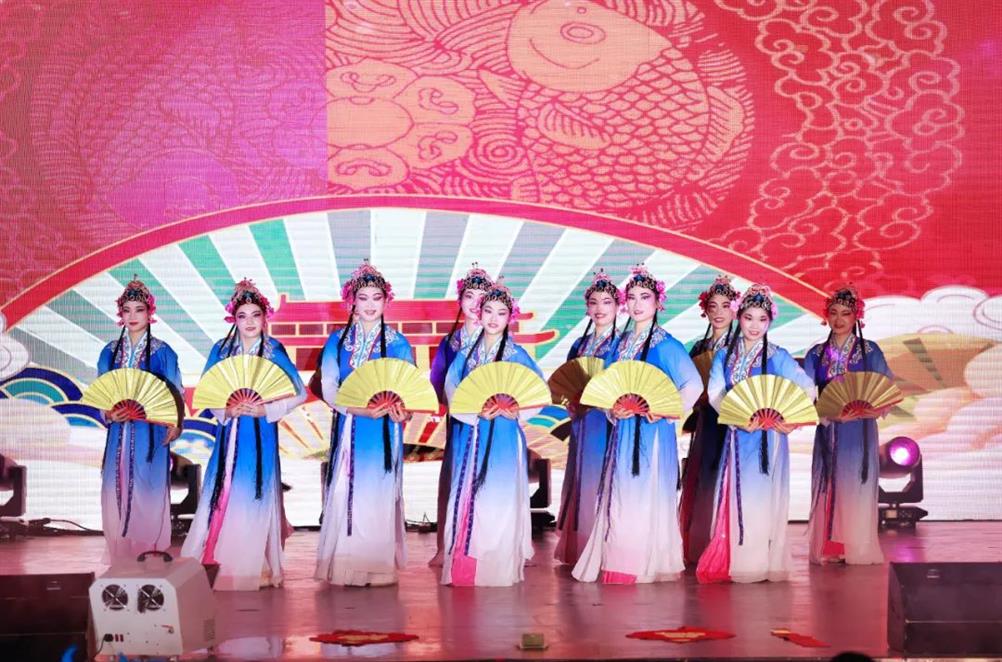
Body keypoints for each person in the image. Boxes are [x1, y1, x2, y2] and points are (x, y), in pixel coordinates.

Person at [572, 264, 701, 584]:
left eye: (645, 297)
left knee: (646, 494)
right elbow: (608, 386)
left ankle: (644, 563)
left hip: (654, 433)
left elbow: (693, 385)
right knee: (620, 495)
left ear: (658, 302)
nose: (638, 304)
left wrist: (662, 409)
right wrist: (614, 409)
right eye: (632, 297)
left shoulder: (666, 344)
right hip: (623, 431)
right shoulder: (620, 344)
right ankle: (619, 560)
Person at [181, 279, 305, 590]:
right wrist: (227, 409)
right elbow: (209, 390)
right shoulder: (221, 349)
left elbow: (299, 392)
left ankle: (256, 565)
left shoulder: (274, 349)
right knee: (224, 491)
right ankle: (221, 559)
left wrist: (266, 409)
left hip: (261, 433)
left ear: (265, 317)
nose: (249, 322)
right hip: (229, 433)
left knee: (256, 493)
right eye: (242, 316)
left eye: (255, 315)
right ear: (233, 319)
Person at [696, 284, 816, 584]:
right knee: (736, 496)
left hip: (769, 438)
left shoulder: (778, 356)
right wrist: (737, 417)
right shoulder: (724, 355)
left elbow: (807, 389)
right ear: (739, 317)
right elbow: (716, 392)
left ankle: (760, 562)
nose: (754, 325)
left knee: (762, 498)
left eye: (762, 319)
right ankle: (739, 561)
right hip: (737, 435)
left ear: (770, 321)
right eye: (748, 317)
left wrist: (788, 420)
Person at [315, 261, 416, 586]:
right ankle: (347, 565)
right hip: (350, 425)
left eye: (377, 297)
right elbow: (329, 387)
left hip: (384, 430)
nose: (370, 304)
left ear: (386, 301)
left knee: (379, 492)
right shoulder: (337, 341)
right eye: (363, 297)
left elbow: (408, 389)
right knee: (347, 491)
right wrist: (358, 409)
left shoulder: (398, 343)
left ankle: (379, 566)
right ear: (352, 301)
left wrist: (402, 411)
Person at [441, 279, 544, 586]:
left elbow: (537, 393)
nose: (494, 318)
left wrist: (516, 411)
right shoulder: (465, 354)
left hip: (504, 437)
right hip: (472, 435)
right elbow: (452, 391)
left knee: (499, 499)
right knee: (470, 496)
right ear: (480, 313)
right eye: (488, 311)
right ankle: (467, 569)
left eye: (501, 312)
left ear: (510, 317)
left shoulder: (517, 354)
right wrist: (475, 412)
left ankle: (499, 569)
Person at [805, 285, 890, 565]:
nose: (839, 319)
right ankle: (831, 547)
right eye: (834, 313)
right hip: (829, 427)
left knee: (856, 484)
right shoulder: (816, 353)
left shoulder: (870, 350)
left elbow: (885, 387)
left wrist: (870, 409)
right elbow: (804, 395)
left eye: (846, 313)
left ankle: (856, 546)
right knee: (828, 484)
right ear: (826, 316)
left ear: (856, 317)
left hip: (859, 429)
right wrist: (828, 414)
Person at [98, 278, 181, 563]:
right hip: (118, 435)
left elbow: (174, 392)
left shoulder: (163, 352)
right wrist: (109, 414)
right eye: (127, 310)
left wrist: (174, 423)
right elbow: (102, 393)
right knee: (115, 489)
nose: (133, 316)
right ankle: (121, 554)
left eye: (139, 310)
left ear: (150, 313)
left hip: (151, 433)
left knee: (149, 488)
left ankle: (149, 552)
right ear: (120, 314)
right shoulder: (109, 352)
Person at [554, 269, 621, 566]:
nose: (599, 309)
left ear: (617, 307)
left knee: (601, 478)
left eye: (607, 302)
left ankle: (604, 548)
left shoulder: (621, 344)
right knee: (580, 478)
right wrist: (572, 402)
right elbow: (568, 383)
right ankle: (581, 546)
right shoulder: (579, 345)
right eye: (594, 302)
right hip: (582, 420)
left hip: (607, 422)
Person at [428, 263, 492, 567]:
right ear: (460, 300)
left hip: (494, 422)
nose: (476, 303)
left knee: (493, 479)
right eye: (470, 296)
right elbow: (438, 382)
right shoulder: (450, 342)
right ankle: (448, 545)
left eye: (483, 297)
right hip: (460, 422)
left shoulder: (500, 339)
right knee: (455, 477)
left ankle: (495, 546)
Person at [679, 275, 740, 564]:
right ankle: (702, 541)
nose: (719, 312)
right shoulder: (698, 348)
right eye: (713, 306)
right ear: (705, 310)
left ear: (735, 310)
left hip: (733, 422)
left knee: (726, 478)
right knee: (703, 478)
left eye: (725, 306)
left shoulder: (742, 346)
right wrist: (697, 398)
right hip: (705, 420)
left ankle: (725, 544)